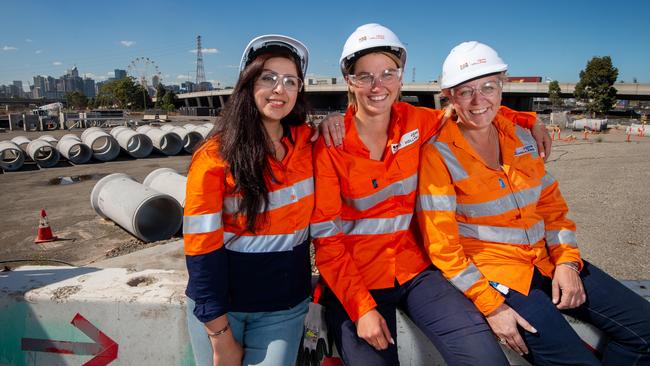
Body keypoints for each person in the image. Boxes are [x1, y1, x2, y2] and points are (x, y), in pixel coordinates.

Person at [310, 23, 546, 366]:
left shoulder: (418, 122)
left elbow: (474, 111)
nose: (378, 86)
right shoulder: (331, 144)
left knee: (484, 357)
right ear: (349, 81)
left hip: (416, 271)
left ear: (401, 77)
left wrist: (528, 120)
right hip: (356, 280)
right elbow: (327, 242)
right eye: (365, 77)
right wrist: (361, 309)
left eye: (388, 73)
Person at [416, 41, 650, 365]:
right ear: (450, 96)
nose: (478, 100)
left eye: (488, 87)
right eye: (465, 91)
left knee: (644, 331)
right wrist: (491, 306)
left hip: (547, 259)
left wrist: (567, 262)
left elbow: (552, 207)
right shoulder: (438, 154)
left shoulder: (521, 138)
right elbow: (442, 246)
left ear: (502, 86)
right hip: (499, 276)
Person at [183, 34, 313, 366]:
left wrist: (337, 123)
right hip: (224, 313)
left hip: (283, 308)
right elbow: (201, 248)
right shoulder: (214, 157)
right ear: (248, 84)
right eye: (268, 78)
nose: (279, 89)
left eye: (290, 81)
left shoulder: (309, 144)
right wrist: (219, 334)